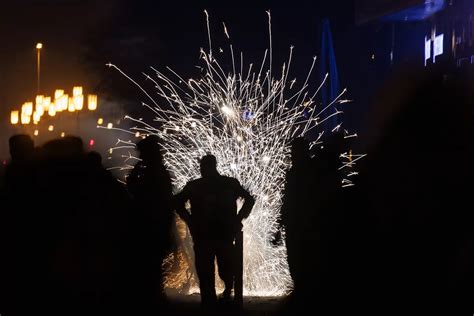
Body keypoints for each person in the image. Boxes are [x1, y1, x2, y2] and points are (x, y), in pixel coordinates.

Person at [174, 154, 255, 308]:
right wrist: (238, 220)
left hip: (207, 235)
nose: (202, 170)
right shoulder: (228, 183)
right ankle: (222, 297)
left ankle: (212, 301)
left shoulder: (196, 185)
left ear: (206, 167)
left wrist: (190, 220)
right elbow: (249, 200)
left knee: (210, 271)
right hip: (219, 234)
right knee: (222, 269)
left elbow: (176, 202)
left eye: (203, 166)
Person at [126, 135, 174, 308]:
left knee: (150, 263)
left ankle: (152, 297)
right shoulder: (157, 171)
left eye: (142, 153)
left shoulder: (153, 173)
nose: (140, 156)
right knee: (151, 263)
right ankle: (153, 296)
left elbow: (136, 192)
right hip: (153, 223)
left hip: (150, 224)